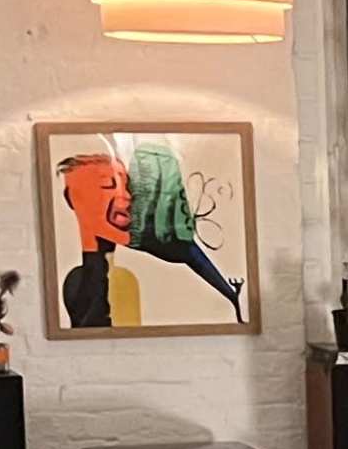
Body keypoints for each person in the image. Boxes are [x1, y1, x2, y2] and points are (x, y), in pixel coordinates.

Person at [58, 140, 246, 327]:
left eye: (127, 185)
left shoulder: (136, 275)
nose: (127, 196)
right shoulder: (79, 284)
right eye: (108, 185)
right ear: (72, 198)